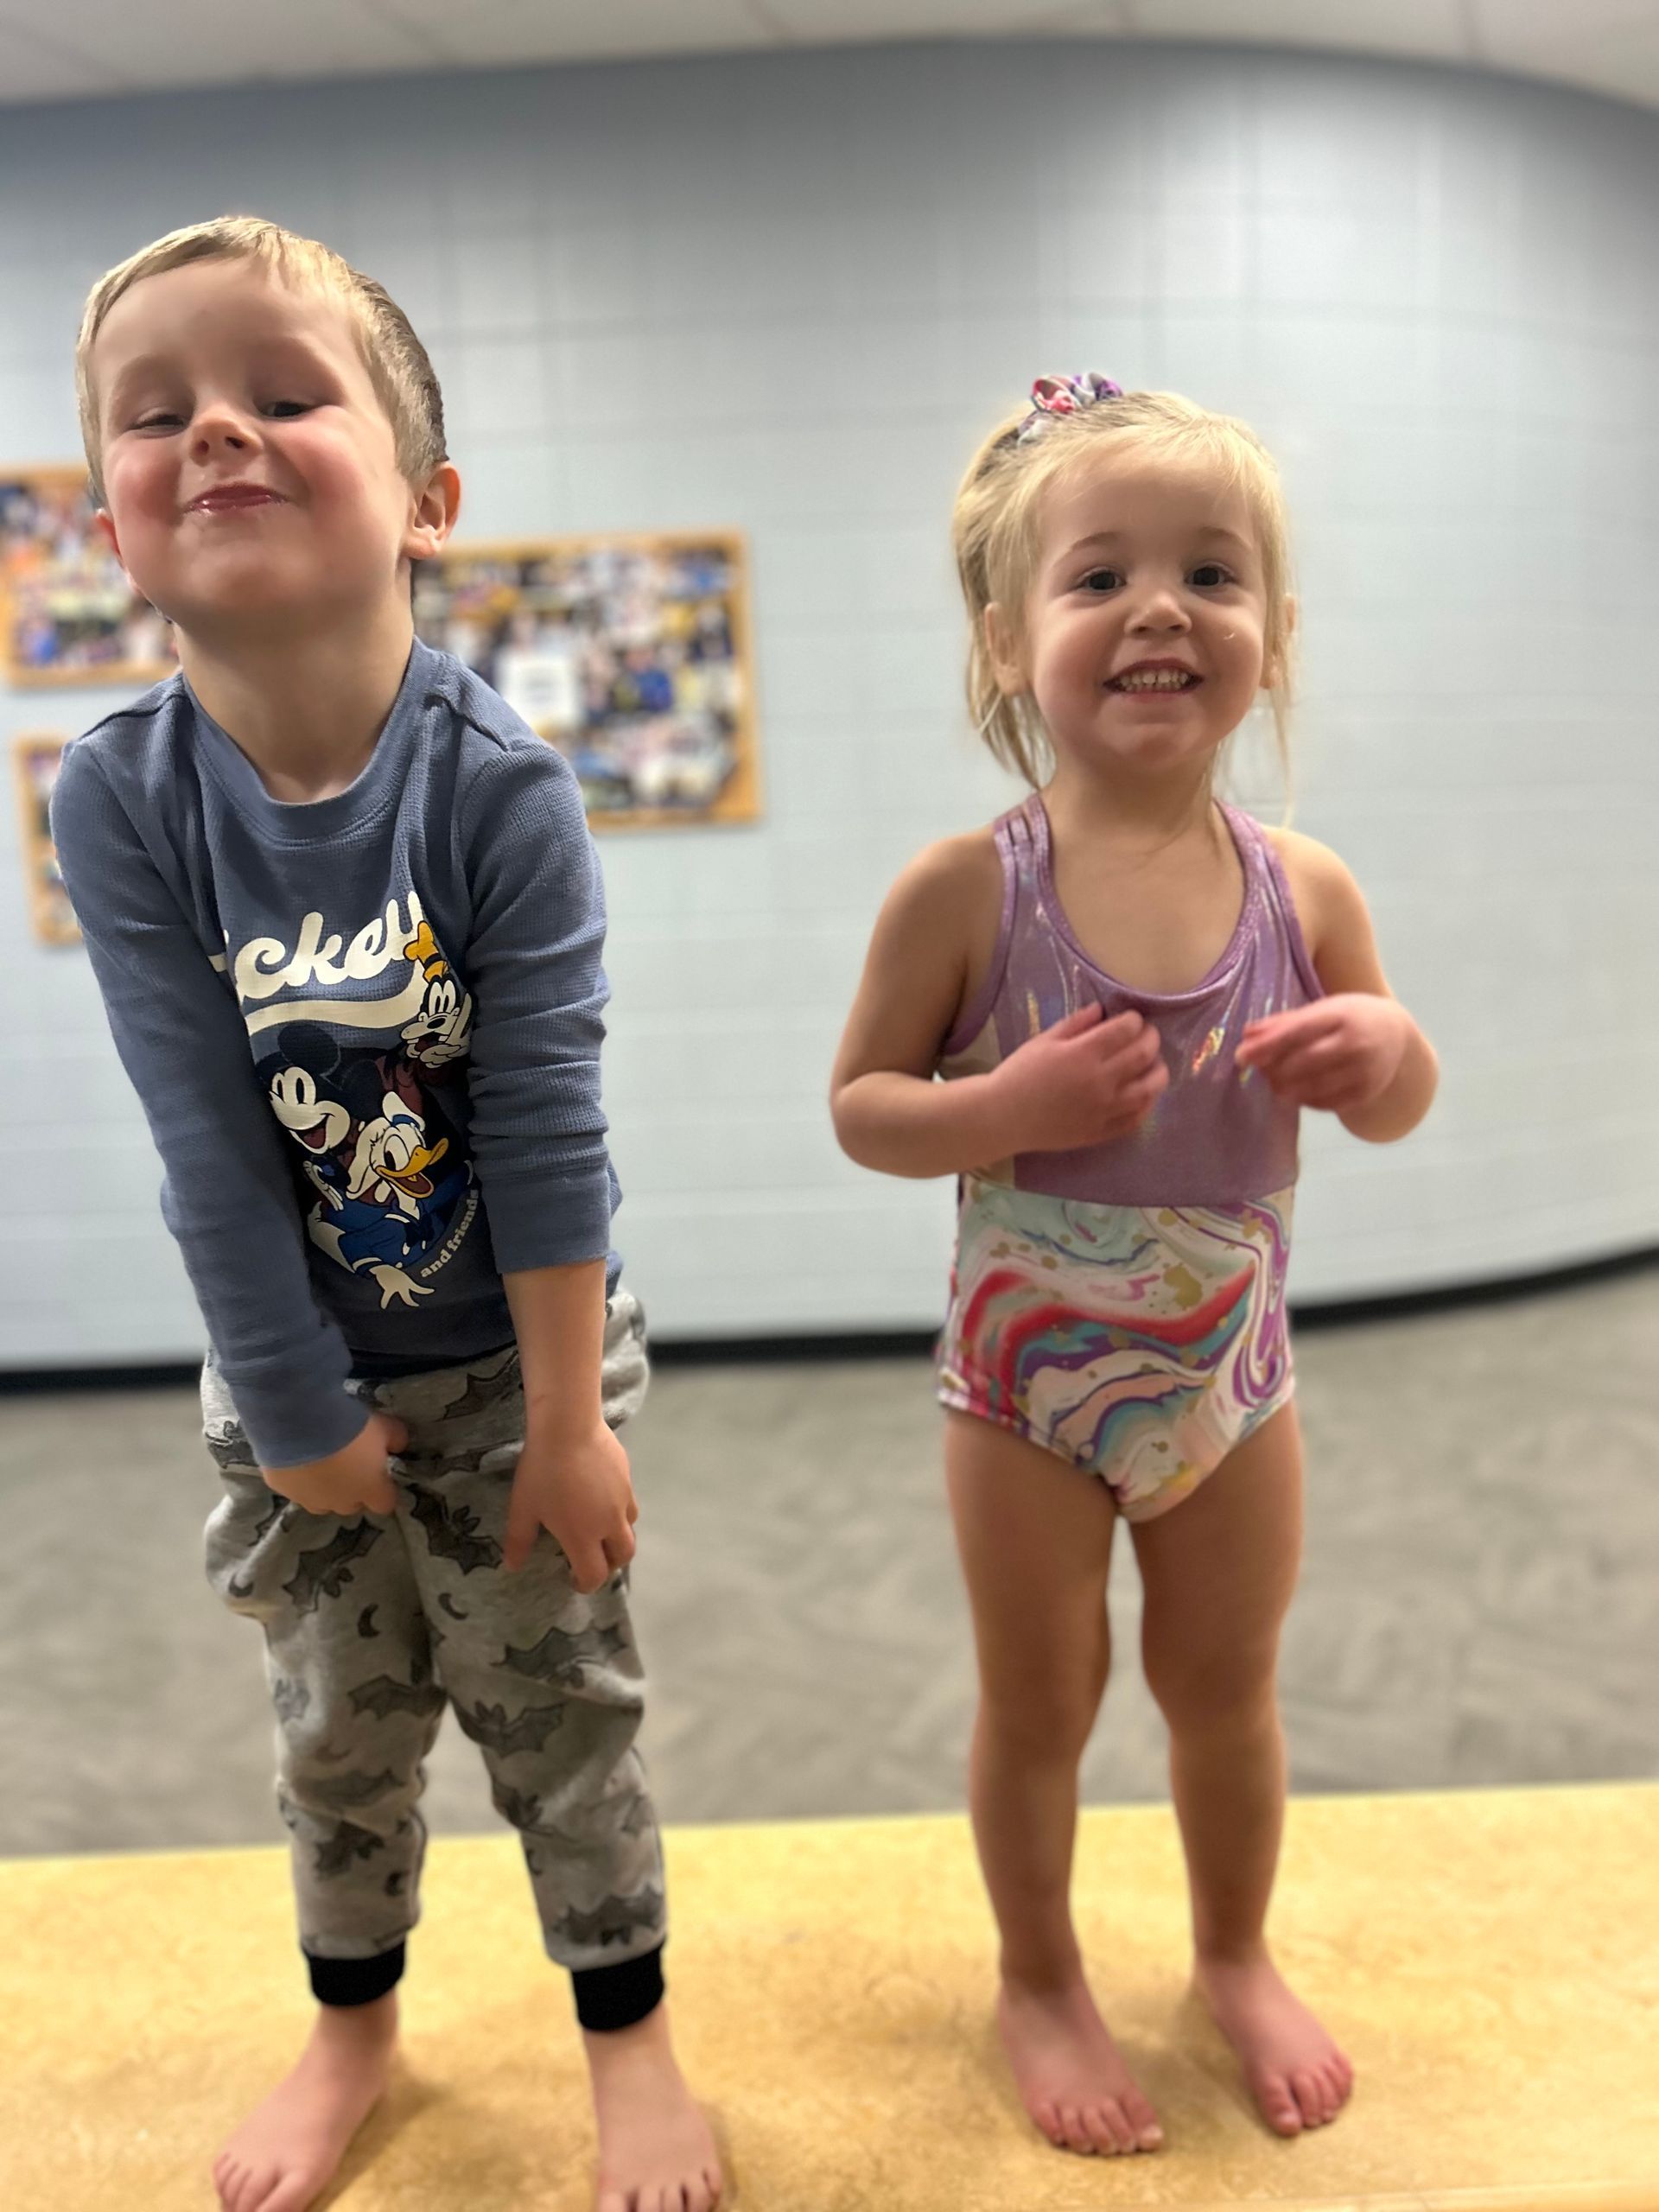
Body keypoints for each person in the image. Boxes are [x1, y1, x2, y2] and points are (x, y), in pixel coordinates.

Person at [51, 216, 722, 2212]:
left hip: (520, 1361)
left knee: (559, 1711)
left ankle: (630, 2034)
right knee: (339, 1729)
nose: (216, 432)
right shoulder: (122, 795)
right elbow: (205, 1135)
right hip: (298, 1360)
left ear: (429, 502)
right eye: (156, 414)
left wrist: (570, 1420)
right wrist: (293, 1406)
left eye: (282, 392)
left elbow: (546, 1123)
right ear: (114, 526)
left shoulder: (495, 788)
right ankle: (354, 2025)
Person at [830, 374, 1438, 2158]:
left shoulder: (1304, 890)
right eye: (1100, 577)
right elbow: (866, 1109)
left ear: (1275, 634)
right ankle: (1038, 1976)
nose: (1161, 609)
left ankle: (1233, 1953)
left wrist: (1385, 1052)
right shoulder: (966, 890)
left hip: (1230, 1380)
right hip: (1024, 1386)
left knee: (1223, 1690)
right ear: (1008, 641)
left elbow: (1398, 1103)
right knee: (1044, 1700)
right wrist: (1000, 1104)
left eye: (1212, 574)